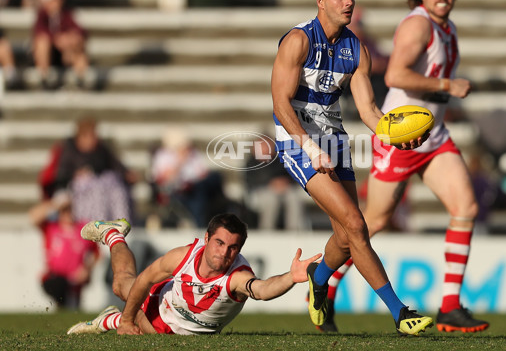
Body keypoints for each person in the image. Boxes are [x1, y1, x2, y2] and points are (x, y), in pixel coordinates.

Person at [320, 0, 489, 333]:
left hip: (435, 135)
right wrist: (448, 87)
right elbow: (395, 74)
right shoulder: (418, 25)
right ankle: (324, 285)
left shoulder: (447, 27)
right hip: (402, 137)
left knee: (466, 207)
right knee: (371, 224)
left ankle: (449, 307)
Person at [270, 0, 432, 336]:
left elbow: (370, 112)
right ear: (321, 1)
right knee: (357, 224)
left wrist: (394, 136)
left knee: (345, 236)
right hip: (297, 140)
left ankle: (319, 276)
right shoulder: (298, 40)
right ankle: (400, 313)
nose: (349, 2)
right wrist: (309, 148)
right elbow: (280, 103)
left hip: (334, 139)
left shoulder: (356, 49)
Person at [66, 214, 321, 335]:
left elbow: (263, 289)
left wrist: (290, 277)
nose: (224, 253)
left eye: (233, 248)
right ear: (207, 238)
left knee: (152, 334)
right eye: (219, 243)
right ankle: (113, 234)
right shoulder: (183, 256)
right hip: (160, 304)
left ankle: (111, 319)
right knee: (122, 283)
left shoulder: (237, 276)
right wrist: (126, 321)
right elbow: (145, 279)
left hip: (176, 326)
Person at [54, 116, 138, 223]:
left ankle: (120, 225)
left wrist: (127, 174)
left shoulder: (101, 149)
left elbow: (116, 165)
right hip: (78, 193)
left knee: (115, 187)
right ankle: (97, 227)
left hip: (103, 189)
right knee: (95, 190)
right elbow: (61, 177)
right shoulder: (69, 151)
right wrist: (77, 174)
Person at [29, 190, 100, 309]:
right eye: (64, 209)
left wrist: (87, 268)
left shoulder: (83, 228)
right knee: (58, 287)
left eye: (69, 209)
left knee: (74, 308)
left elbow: (96, 253)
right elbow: (33, 217)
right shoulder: (51, 227)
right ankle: (61, 304)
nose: (67, 213)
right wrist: (54, 204)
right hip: (55, 277)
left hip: (76, 279)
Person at [150, 127, 225, 228]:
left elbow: (203, 173)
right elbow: (165, 179)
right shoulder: (163, 156)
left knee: (214, 178)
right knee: (198, 195)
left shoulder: (193, 154)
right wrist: (180, 161)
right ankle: (201, 224)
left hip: (198, 186)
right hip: (179, 191)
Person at [32, 0, 93, 89]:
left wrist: (70, 39)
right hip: (49, 52)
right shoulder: (42, 15)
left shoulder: (66, 14)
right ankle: (44, 79)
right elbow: (39, 31)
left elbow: (81, 31)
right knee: (42, 43)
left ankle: (81, 80)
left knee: (77, 45)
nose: (56, 3)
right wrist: (57, 39)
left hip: (64, 54)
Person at [245, 136, 306, 231]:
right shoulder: (251, 163)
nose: (265, 149)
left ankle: (294, 231)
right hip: (260, 193)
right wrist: (271, 184)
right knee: (271, 200)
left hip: (284, 190)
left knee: (293, 197)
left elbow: (292, 177)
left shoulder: (280, 160)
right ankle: (267, 231)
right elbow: (251, 183)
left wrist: (284, 183)